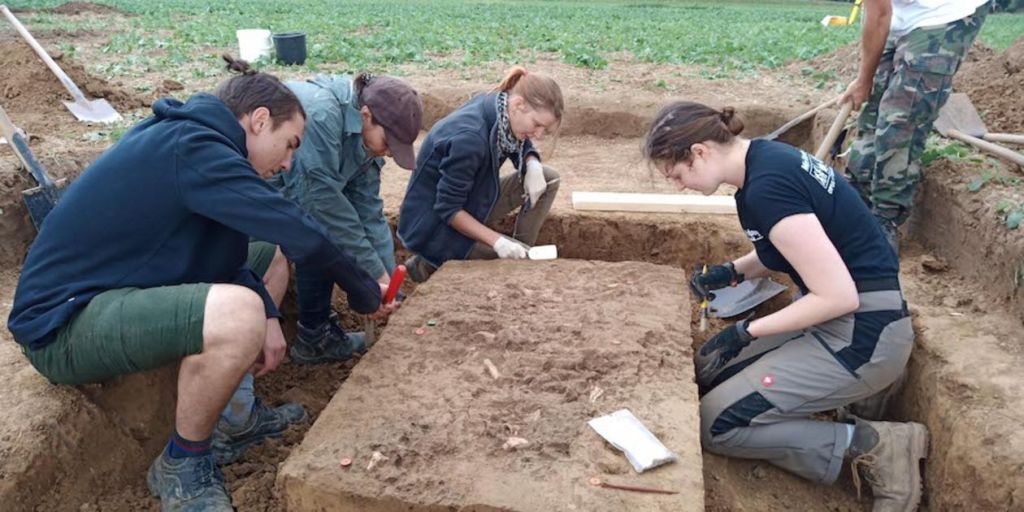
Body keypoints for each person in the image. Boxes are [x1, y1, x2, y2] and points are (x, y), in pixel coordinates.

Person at [6, 57, 394, 511]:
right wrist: (363, 290)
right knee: (240, 313)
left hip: (115, 291)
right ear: (259, 120)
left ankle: (236, 420)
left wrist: (271, 317)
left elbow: (228, 256)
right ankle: (182, 461)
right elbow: (301, 231)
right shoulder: (192, 147)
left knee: (268, 257)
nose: (289, 163)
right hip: (64, 324)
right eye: (289, 145)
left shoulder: (200, 147)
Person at [644, 101, 927, 510]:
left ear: (699, 152)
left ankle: (876, 444)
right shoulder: (765, 161)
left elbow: (838, 295)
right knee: (711, 373)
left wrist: (747, 330)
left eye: (677, 174)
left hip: (862, 337)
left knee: (715, 423)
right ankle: (852, 402)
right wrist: (732, 272)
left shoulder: (767, 188)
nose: (679, 186)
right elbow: (796, 244)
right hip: (844, 320)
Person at [270, 72, 422, 364]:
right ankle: (314, 338)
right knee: (320, 238)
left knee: (329, 237)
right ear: (366, 115)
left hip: (302, 201)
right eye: (388, 143)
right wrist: (372, 278)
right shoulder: (321, 116)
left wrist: (387, 282)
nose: (389, 153)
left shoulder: (367, 140)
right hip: (254, 200)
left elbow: (369, 212)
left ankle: (319, 328)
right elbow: (323, 207)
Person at [842, 0, 992, 249]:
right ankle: (853, 200)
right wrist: (865, 80)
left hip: (946, 10)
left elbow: (879, 15)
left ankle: (885, 218)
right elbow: (878, 13)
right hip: (904, 11)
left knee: (902, 120)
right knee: (874, 110)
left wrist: (863, 80)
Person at [397, 66, 563, 282]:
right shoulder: (470, 139)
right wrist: (497, 242)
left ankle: (521, 249)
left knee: (548, 178)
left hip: (471, 197)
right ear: (518, 104)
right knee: (521, 261)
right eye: (537, 124)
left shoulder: (501, 109)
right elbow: (448, 209)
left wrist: (532, 162)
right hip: (434, 225)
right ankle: (424, 266)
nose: (538, 134)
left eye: (544, 129)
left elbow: (517, 142)